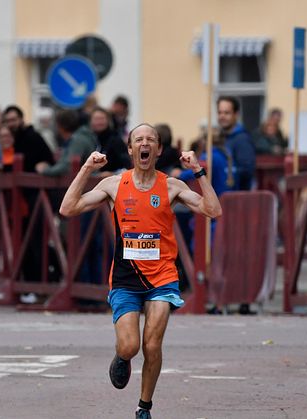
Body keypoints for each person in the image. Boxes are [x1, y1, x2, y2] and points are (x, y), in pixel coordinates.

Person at [59, 123, 222, 419]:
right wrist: (86, 168)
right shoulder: (114, 184)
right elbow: (68, 209)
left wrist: (199, 172)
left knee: (152, 343)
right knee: (131, 345)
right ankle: (121, 357)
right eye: (138, 140)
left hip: (162, 276)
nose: (144, 144)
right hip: (125, 278)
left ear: (158, 150)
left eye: (150, 140)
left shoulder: (171, 185)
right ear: (131, 149)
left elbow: (213, 210)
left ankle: (143, 406)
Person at [36, 110, 96, 177]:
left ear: (59, 126)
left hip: (86, 183)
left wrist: (45, 170)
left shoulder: (78, 140)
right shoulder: (79, 137)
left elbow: (67, 166)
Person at [2, 105, 55, 173]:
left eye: (13, 120)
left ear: (21, 119)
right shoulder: (15, 137)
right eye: (8, 121)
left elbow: (26, 164)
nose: (11, 124)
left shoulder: (31, 137)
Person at [217, 96, 255, 190]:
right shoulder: (219, 138)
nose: (222, 116)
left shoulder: (242, 139)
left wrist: (224, 172)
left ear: (236, 114)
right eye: (220, 112)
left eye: (227, 113)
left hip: (236, 196)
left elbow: (246, 170)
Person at [89, 106, 131, 174]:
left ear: (108, 121)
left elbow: (126, 165)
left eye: (102, 119)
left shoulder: (115, 139)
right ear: (90, 121)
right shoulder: (88, 139)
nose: (99, 122)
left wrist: (112, 174)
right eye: (96, 119)